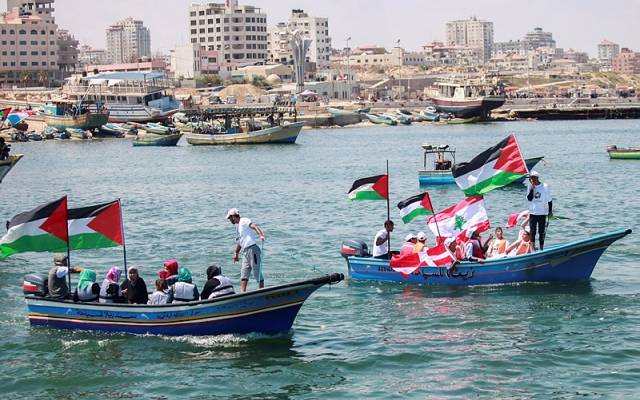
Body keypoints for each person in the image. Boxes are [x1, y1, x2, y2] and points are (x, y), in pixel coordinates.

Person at [226, 208, 266, 293]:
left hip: (252, 249)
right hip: (245, 252)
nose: (229, 220)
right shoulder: (238, 226)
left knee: (256, 272)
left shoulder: (244, 220)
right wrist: (236, 253)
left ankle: (262, 290)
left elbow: (254, 226)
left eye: (230, 218)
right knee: (244, 273)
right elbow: (240, 241)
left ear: (233, 216)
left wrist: (261, 235)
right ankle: (242, 292)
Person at [526, 170, 553, 250]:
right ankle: (533, 249)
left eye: (532, 178)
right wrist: (532, 189)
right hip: (533, 213)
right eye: (530, 179)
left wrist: (550, 211)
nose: (531, 180)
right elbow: (529, 199)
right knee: (532, 232)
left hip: (542, 213)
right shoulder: (530, 186)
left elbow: (549, 200)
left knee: (541, 232)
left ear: (536, 178)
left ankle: (541, 248)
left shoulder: (544, 186)